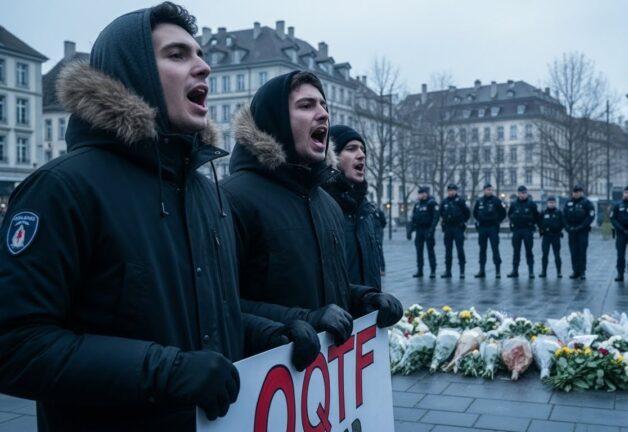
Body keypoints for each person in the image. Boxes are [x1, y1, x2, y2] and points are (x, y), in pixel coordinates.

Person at [0, 3, 317, 429]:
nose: (203, 66)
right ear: (134, 73)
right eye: (177, 54)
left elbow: (205, 312)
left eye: (201, 55)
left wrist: (269, 333)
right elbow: (15, 345)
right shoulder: (63, 187)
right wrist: (163, 371)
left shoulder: (207, 191)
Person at [220, 71, 402, 341]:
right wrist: (302, 320)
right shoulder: (230, 197)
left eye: (324, 106)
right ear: (274, 119)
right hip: (267, 375)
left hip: (324, 376)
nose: (323, 114)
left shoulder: (326, 203)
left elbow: (327, 288)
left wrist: (364, 299)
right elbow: (220, 305)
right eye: (306, 106)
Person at [321, 125, 382, 289]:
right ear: (332, 156)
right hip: (339, 312)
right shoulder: (321, 207)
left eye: (362, 149)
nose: (361, 155)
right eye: (351, 148)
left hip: (369, 311)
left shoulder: (365, 209)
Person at [473, 183, 506, 278]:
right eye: (487, 189)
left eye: (491, 190)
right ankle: (481, 270)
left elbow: (503, 213)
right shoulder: (479, 201)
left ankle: (497, 271)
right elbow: (475, 213)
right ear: (484, 190)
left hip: (493, 228)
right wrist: (480, 219)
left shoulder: (497, 201)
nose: (489, 191)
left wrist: (497, 221)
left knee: (495, 249)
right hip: (482, 228)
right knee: (482, 249)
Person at [507, 185, 540, 279]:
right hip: (517, 230)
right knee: (516, 251)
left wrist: (534, 225)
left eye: (525, 193)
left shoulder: (531, 204)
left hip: (527, 230)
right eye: (521, 193)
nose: (523, 195)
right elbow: (509, 215)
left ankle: (531, 271)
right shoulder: (514, 204)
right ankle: (515, 271)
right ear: (518, 193)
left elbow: (537, 216)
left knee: (529, 251)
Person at [563, 185, 595, 280]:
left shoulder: (587, 203)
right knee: (573, 251)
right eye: (575, 192)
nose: (576, 194)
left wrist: (582, 226)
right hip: (572, 231)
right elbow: (564, 216)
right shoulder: (568, 203)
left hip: (582, 231)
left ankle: (582, 272)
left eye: (578, 192)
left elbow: (591, 216)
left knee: (582, 251)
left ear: (581, 192)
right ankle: (575, 271)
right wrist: (567, 227)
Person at [439, 183, 471, 278]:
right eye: (449, 191)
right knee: (448, 251)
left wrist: (462, 222)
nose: (451, 192)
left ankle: (462, 271)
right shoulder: (444, 202)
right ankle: (448, 271)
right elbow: (441, 213)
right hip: (448, 228)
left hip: (458, 227)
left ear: (456, 191)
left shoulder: (461, 201)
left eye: (453, 190)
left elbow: (467, 213)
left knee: (460, 250)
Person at [410, 186, 440, 278]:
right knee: (419, 251)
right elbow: (414, 217)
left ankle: (433, 271)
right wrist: (410, 230)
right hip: (419, 230)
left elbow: (436, 217)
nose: (419, 195)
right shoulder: (418, 204)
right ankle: (420, 270)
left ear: (425, 194)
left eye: (420, 194)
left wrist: (432, 229)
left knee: (430, 251)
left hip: (428, 229)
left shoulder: (432, 203)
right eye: (419, 194)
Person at [539, 196, 565, 278]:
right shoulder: (543, 212)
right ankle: (543, 272)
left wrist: (558, 229)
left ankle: (559, 272)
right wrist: (542, 230)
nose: (551, 204)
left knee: (557, 255)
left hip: (555, 236)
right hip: (546, 236)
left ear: (555, 203)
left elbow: (563, 223)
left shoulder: (558, 212)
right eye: (550, 202)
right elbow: (539, 223)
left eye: (553, 202)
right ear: (547, 203)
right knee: (544, 255)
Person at [374, 206, 387, 275]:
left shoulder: (377, 211)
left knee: (379, 250)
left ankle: (382, 268)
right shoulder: (378, 211)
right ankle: (381, 268)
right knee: (379, 250)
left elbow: (383, 223)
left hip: (378, 231)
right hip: (378, 230)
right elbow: (384, 223)